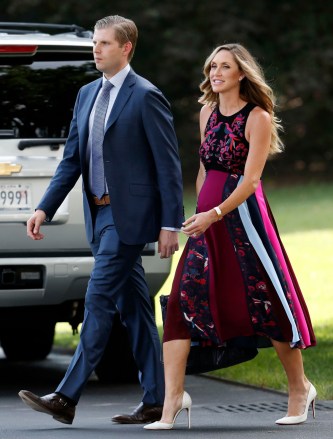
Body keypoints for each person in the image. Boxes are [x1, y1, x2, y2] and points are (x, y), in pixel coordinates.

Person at [18, 14, 183, 426]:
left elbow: (168, 166)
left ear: (126, 48)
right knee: (135, 310)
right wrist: (44, 207)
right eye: (95, 42)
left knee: (97, 297)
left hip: (129, 218)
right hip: (98, 214)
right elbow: (72, 159)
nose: (96, 49)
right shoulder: (86, 94)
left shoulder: (146, 95)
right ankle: (159, 400)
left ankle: (66, 396)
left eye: (105, 43)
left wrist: (170, 224)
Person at [144, 43, 316, 431]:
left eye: (224, 66)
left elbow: (252, 180)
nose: (215, 72)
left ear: (242, 74)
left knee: (267, 301)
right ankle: (171, 402)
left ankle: (299, 389)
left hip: (244, 221)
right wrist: (198, 212)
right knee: (180, 304)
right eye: (212, 67)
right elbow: (205, 169)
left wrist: (216, 212)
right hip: (205, 222)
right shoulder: (206, 112)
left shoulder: (258, 117)